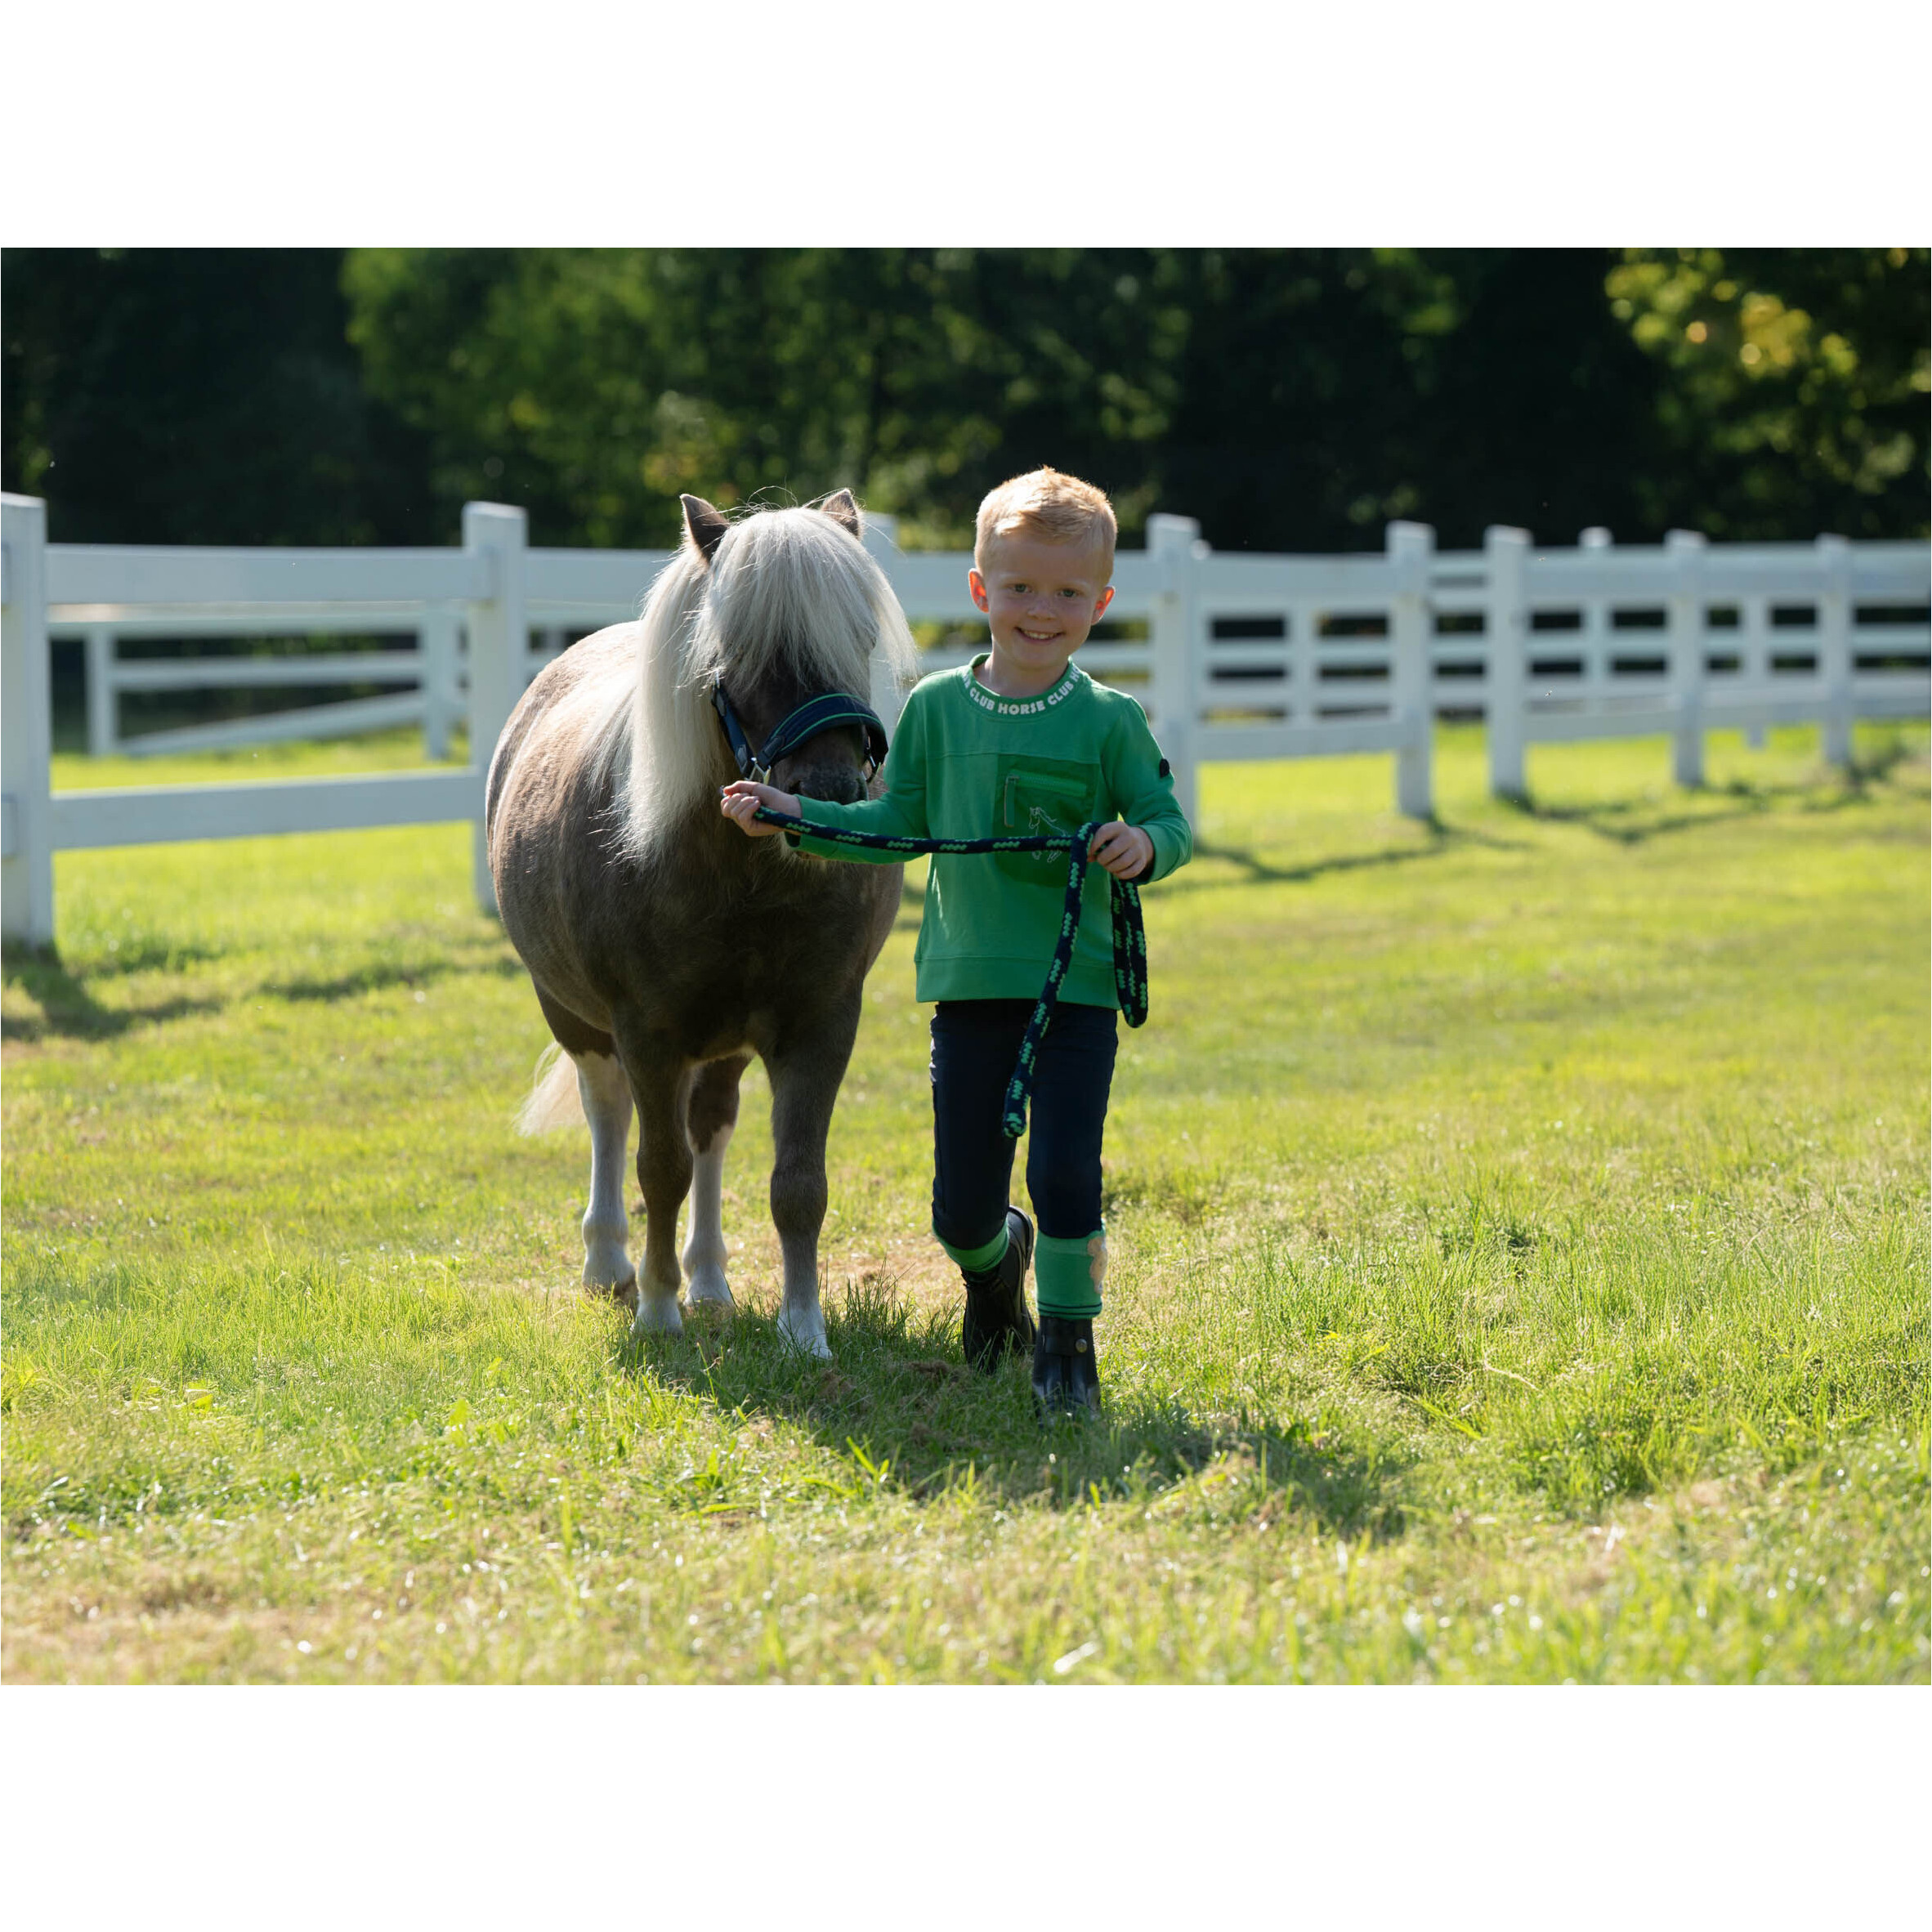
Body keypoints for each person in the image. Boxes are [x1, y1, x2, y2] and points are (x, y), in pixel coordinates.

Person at [721, 467, 1192, 1414]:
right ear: (983, 590)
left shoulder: (1111, 722)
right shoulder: (934, 708)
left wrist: (1142, 846)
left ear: (1100, 603)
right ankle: (994, 1270)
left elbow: (1167, 822)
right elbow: (895, 820)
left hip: (1076, 993)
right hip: (969, 990)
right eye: (1019, 587)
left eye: (1067, 593)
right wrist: (793, 814)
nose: (1041, 611)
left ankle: (1067, 1346)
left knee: (1067, 1170)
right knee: (960, 1210)